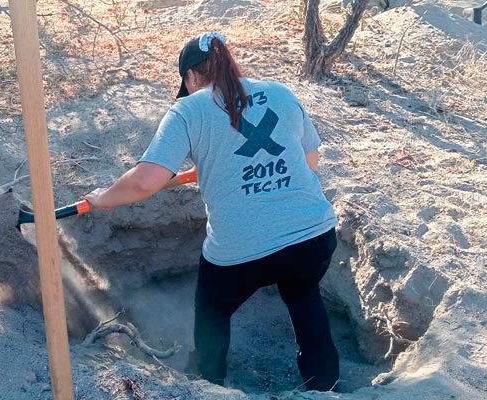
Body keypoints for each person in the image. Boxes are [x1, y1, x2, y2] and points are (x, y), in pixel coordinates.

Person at [85, 32, 339, 392]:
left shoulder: (190, 109)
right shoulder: (281, 93)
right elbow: (308, 162)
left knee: (213, 314)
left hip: (241, 250)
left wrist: (103, 199)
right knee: (303, 296)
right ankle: (325, 385)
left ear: (190, 77)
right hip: (314, 235)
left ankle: (208, 383)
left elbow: (145, 181)